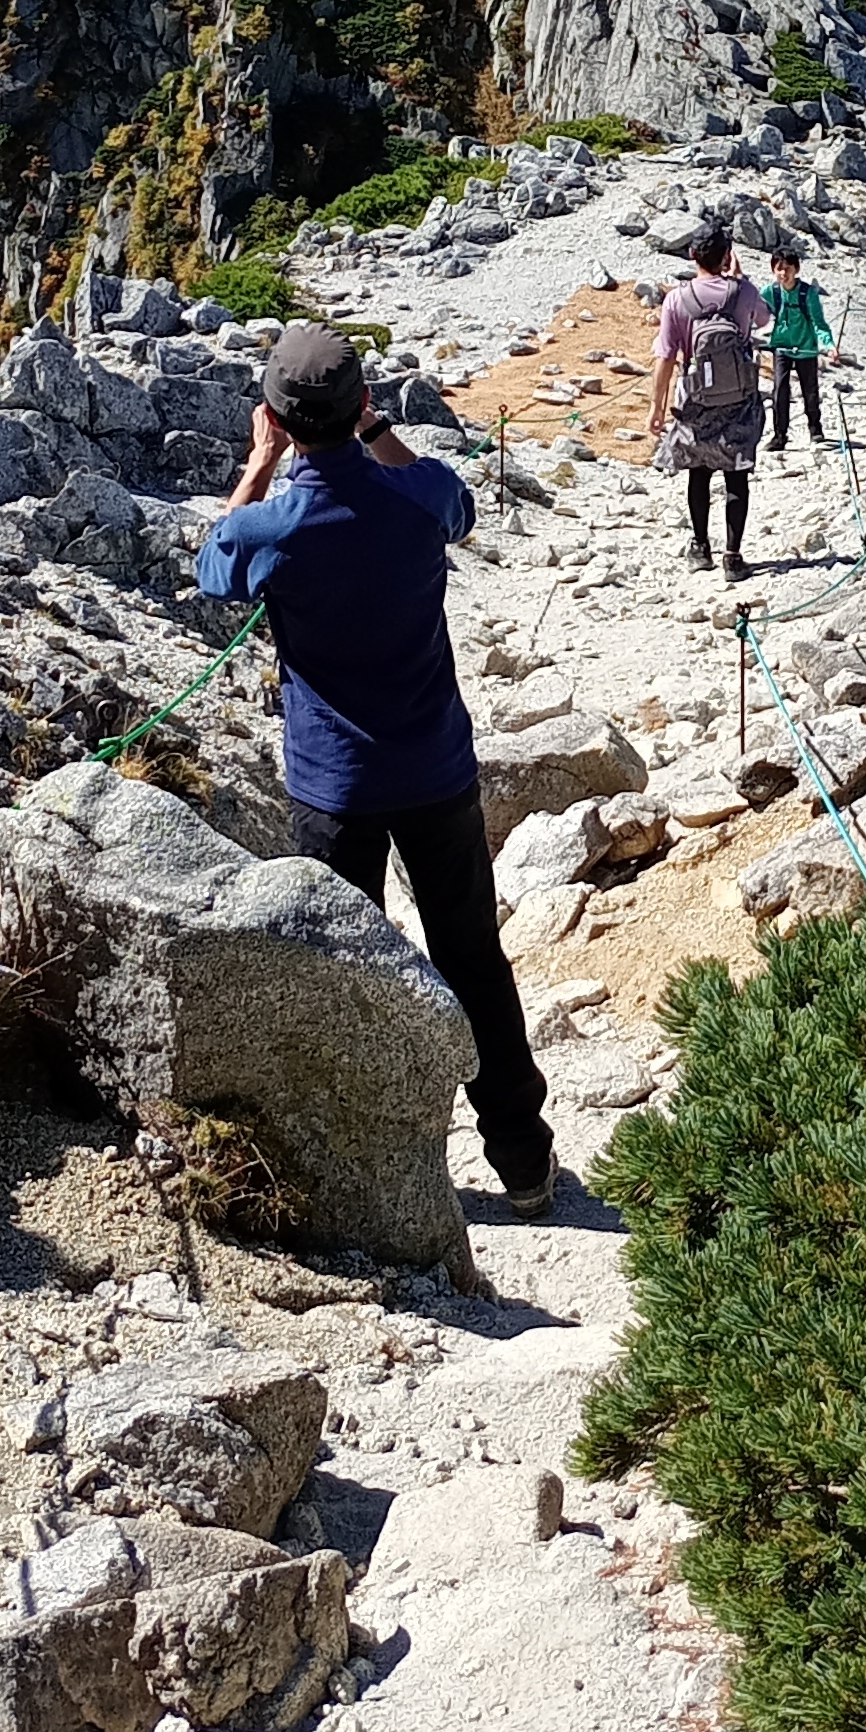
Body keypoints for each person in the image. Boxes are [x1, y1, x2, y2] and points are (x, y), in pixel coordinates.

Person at [197, 324, 554, 1217]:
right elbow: (457, 503)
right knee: (472, 958)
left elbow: (213, 566)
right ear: (360, 404)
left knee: (342, 978)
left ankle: (366, 1171)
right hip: (436, 769)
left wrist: (260, 463)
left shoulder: (274, 527)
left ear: (278, 419)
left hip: (335, 789)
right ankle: (522, 1157)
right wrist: (376, 430)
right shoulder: (416, 496)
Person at [650, 222, 767, 576]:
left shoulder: (676, 299)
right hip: (739, 399)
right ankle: (733, 557)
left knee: (698, 473)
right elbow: (764, 320)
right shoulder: (743, 292)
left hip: (696, 398)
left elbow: (665, 357)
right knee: (736, 475)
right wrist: (740, 282)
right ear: (727, 256)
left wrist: (656, 407)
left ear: (691, 254)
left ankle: (701, 548)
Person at [763, 243, 833, 453]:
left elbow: (819, 323)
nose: (783, 274)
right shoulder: (770, 292)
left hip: (806, 348)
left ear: (797, 269)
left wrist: (829, 345)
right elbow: (754, 311)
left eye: (788, 268)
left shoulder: (808, 293)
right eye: (779, 268)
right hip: (782, 348)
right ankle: (780, 435)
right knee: (780, 390)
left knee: (810, 390)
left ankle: (815, 429)